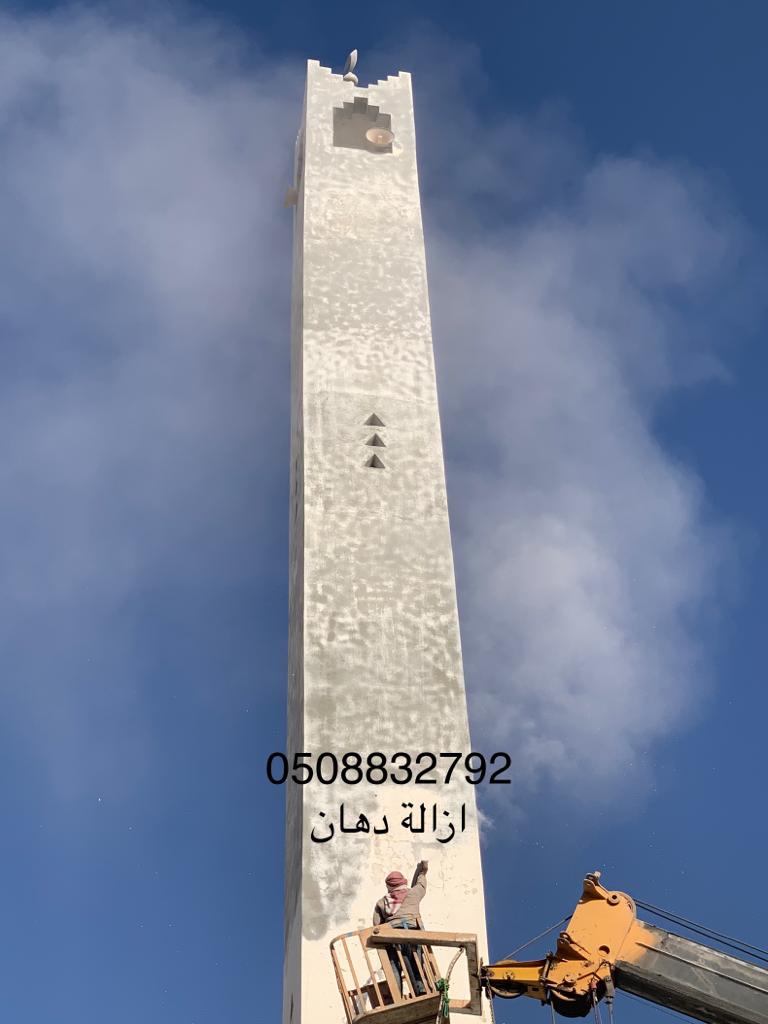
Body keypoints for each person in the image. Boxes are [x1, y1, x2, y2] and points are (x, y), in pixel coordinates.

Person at [373, 860, 428, 997]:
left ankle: (396, 995)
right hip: (412, 935)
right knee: (416, 963)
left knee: (394, 966)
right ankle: (420, 989)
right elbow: (421, 885)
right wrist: (422, 872)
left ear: (389, 886)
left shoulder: (382, 902)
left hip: (393, 937)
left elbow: (377, 925)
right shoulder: (413, 893)